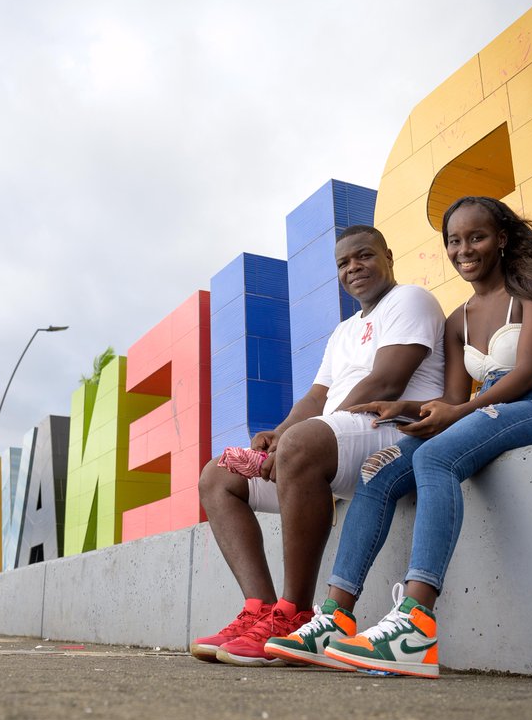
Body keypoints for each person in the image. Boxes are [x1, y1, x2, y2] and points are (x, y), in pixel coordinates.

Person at [263, 195, 532, 675]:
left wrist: (457, 411)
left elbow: (524, 373)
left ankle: (415, 622)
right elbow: (451, 398)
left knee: (434, 458)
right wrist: (406, 409)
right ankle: (335, 617)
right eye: (454, 241)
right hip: (487, 409)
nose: (465, 249)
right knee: (377, 472)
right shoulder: (456, 319)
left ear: (501, 239)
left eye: (476, 237)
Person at [191, 224, 446, 666]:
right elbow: (316, 397)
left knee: (302, 443)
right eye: (344, 264)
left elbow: (387, 380)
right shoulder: (344, 330)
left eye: (364, 256)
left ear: (388, 255)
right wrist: (280, 433)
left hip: (392, 430)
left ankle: (295, 612)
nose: (354, 268)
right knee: (218, 476)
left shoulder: (410, 300)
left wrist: (296, 440)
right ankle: (261, 610)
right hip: (336, 443)